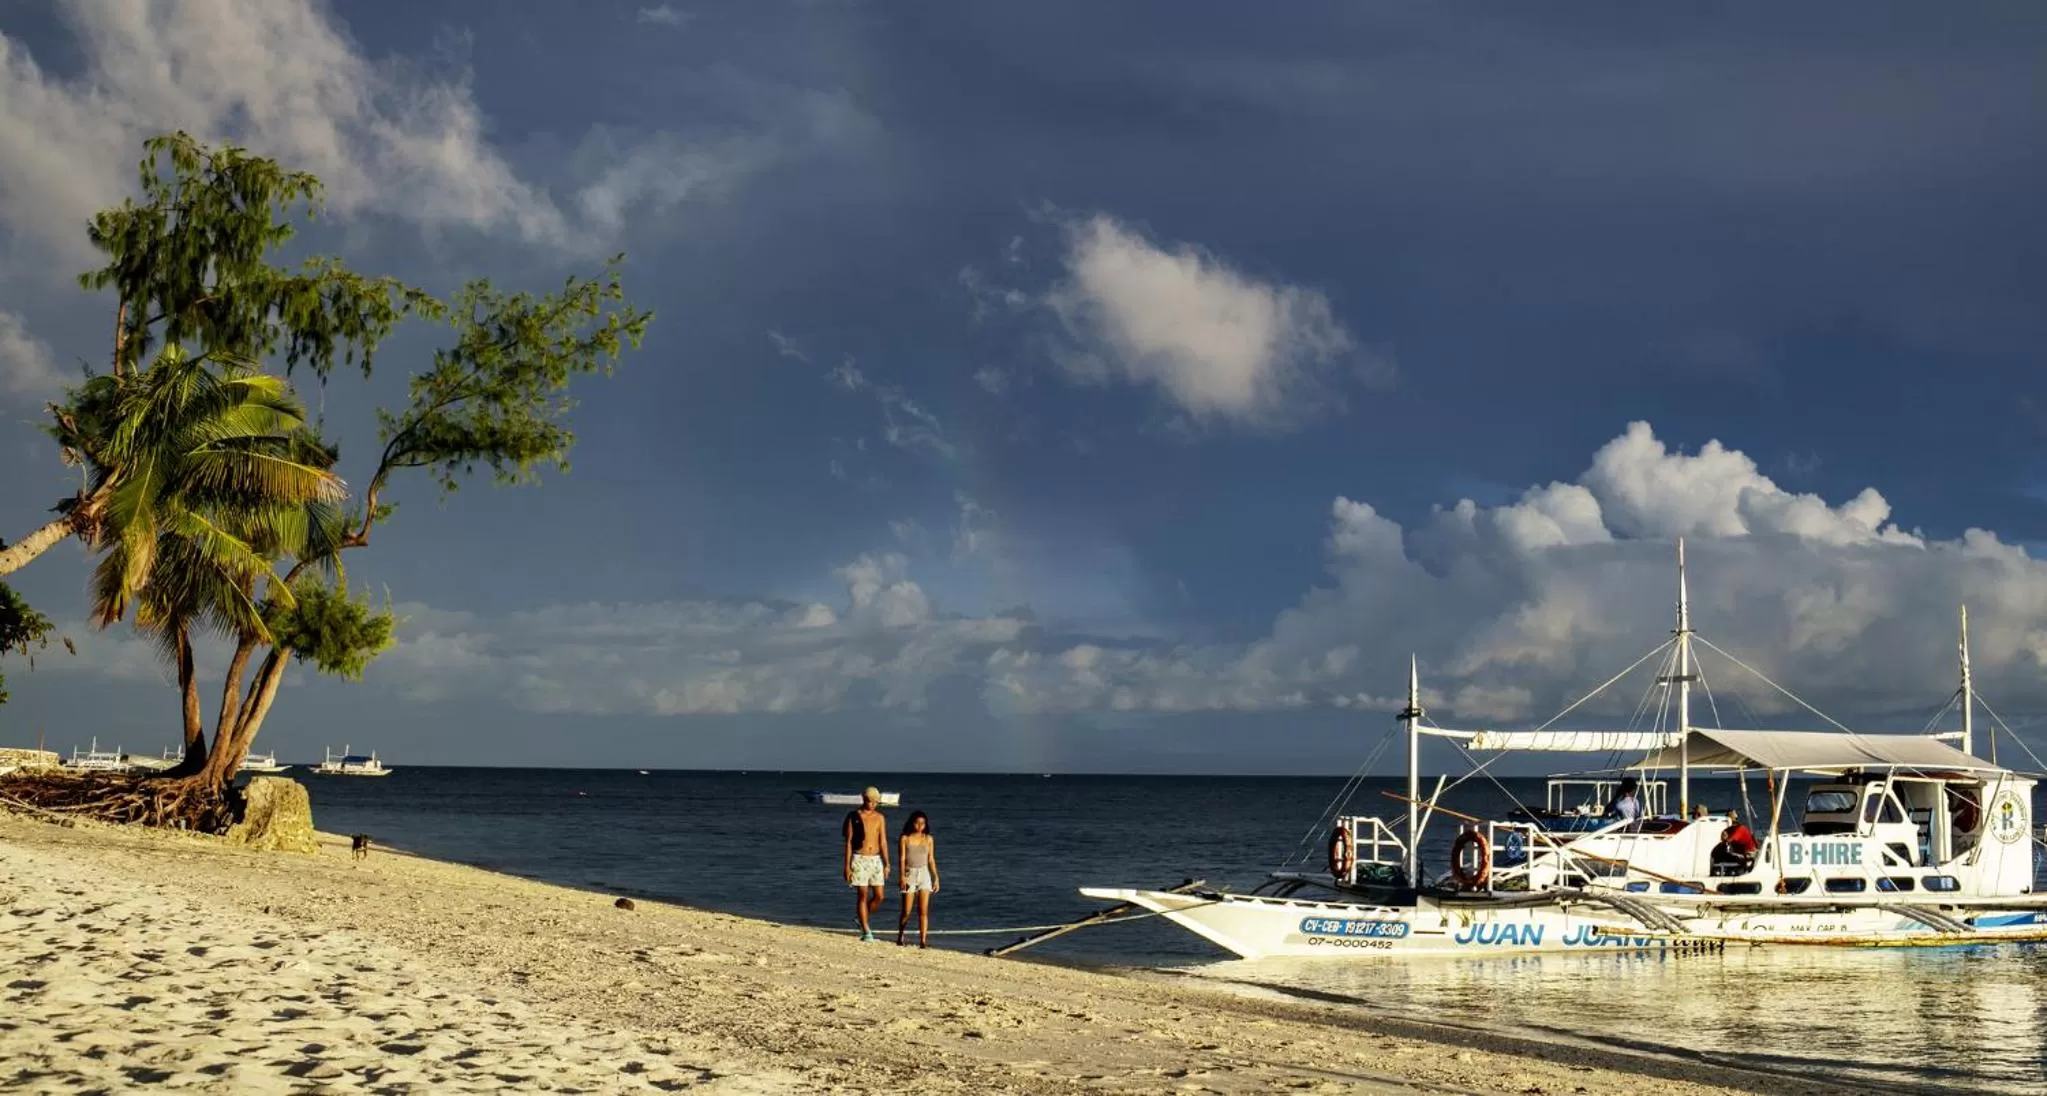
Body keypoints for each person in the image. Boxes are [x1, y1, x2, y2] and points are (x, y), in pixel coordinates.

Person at [843, 786, 890, 941]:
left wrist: (887, 863)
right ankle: (866, 930)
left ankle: (861, 918)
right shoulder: (854, 817)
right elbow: (849, 842)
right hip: (859, 858)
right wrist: (847, 866)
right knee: (862, 894)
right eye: (870, 801)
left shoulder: (880, 817)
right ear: (864, 799)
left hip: (875, 859)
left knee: (879, 896)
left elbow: (883, 841)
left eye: (875, 802)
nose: (872, 804)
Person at [895, 810, 940, 948]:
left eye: (923, 823)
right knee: (907, 910)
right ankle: (901, 935)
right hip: (910, 874)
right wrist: (902, 876)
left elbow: (931, 859)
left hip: (924, 874)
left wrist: (936, 878)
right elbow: (902, 859)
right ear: (912, 823)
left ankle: (923, 941)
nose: (920, 826)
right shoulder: (905, 838)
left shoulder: (929, 839)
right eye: (917, 823)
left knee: (923, 910)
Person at [1712, 809, 1759, 874]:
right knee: (1721, 853)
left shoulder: (1740, 829)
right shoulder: (1730, 829)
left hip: (1749, 854)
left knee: (1727, 856)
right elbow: (1725, 838)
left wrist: (1725, 839)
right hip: (1741, 852)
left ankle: (1730, 871)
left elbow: (1732, 839)